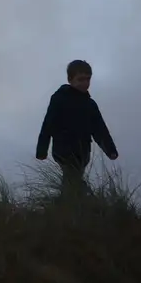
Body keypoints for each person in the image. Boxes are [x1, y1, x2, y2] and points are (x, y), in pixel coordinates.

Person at [36, 59, 119, 197]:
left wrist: (110, 150)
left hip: (83, 151)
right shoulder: (59, 98)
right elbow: (48, 124)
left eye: (88, 79)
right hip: (64, 150)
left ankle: (71, 203)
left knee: (73, 178)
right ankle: (75, 203)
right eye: (80, 79)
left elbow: (99, 129)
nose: (85, 83)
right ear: (70, 79)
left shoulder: (90, 104)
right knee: (72, 177)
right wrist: (41, 150)